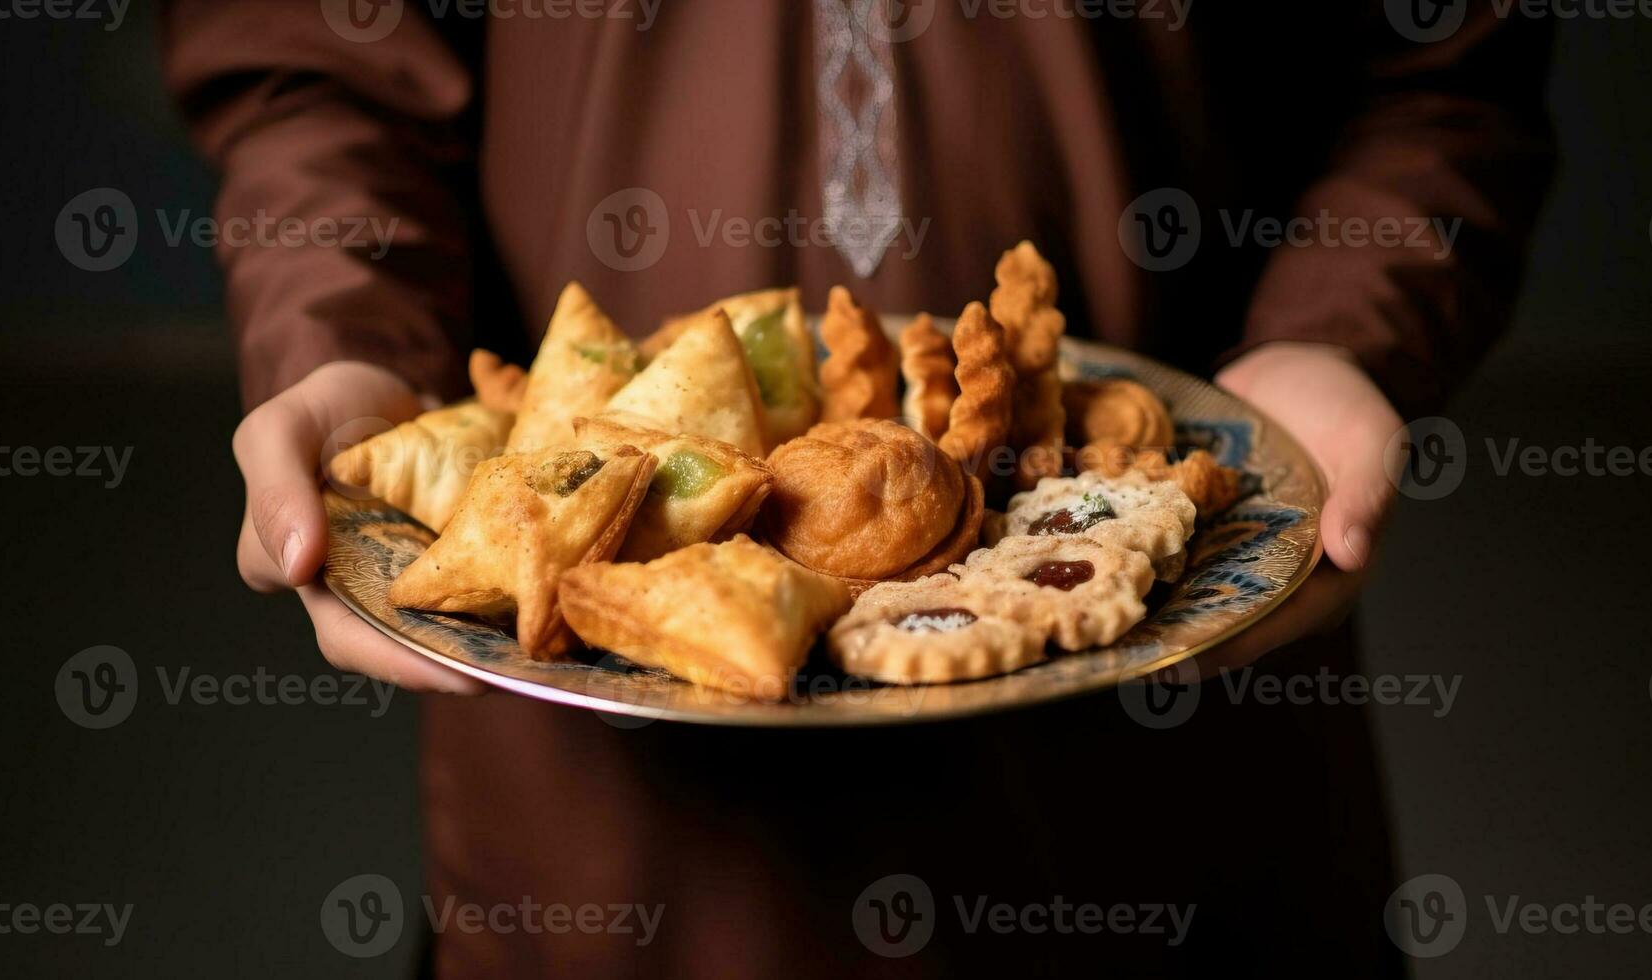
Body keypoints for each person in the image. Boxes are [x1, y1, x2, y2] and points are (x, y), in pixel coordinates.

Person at [163, 1, 1554, 974]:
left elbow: (1438, 73)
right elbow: (315, 58)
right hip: (612, 822)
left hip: (1174, 740)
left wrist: (1336, 330)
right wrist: (344, 343)